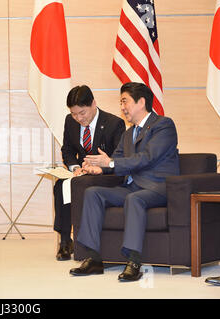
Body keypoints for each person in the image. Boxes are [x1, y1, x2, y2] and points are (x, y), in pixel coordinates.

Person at [70, 82, 180, 281]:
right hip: (133, 186)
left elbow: (147, 158)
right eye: (121, 102)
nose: (121, 107)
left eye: (124, 101)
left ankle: (134, 260)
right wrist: (99, 168)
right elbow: (118, 157)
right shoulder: (129, 133)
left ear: (141, 102)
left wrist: (110, 163)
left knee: (135, 199)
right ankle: (93, 257)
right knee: (93, 192)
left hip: (159, 186)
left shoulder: (163, 125)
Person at [53, 85, 125, 261]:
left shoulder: (114, 124)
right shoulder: (70, 122)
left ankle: (85, 242)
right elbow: (67, 150)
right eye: (74, 114)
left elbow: (119, 157)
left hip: (104, 175)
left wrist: (101, 167)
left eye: (82, 113)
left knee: (78, 186)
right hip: (80, 173)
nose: (78, 118)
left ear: (93, 104)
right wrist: (74, 168)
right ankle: (64, 241)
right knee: (61, 185)